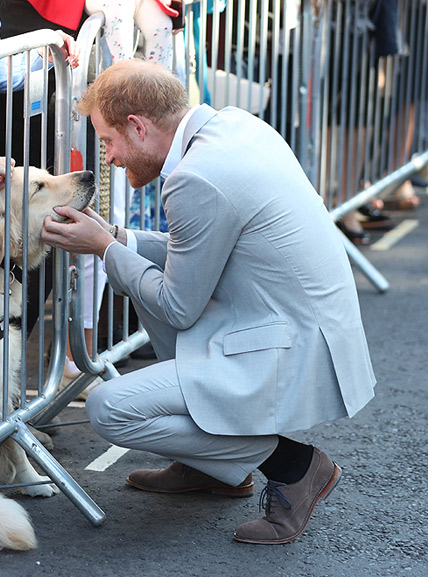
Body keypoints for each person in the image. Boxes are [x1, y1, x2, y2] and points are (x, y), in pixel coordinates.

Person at [41, 59, 376, 544]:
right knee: (142, 282)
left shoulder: (195, 178)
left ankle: (296, 467)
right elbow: (196, 254)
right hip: (298, 322)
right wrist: (116, 236)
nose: (108, 157)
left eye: (108, 140)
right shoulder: (235, 125)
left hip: (290, 345)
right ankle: (214, 467)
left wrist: (104, 248)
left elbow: (179, 306)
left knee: (110, 408)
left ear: (137, 126)